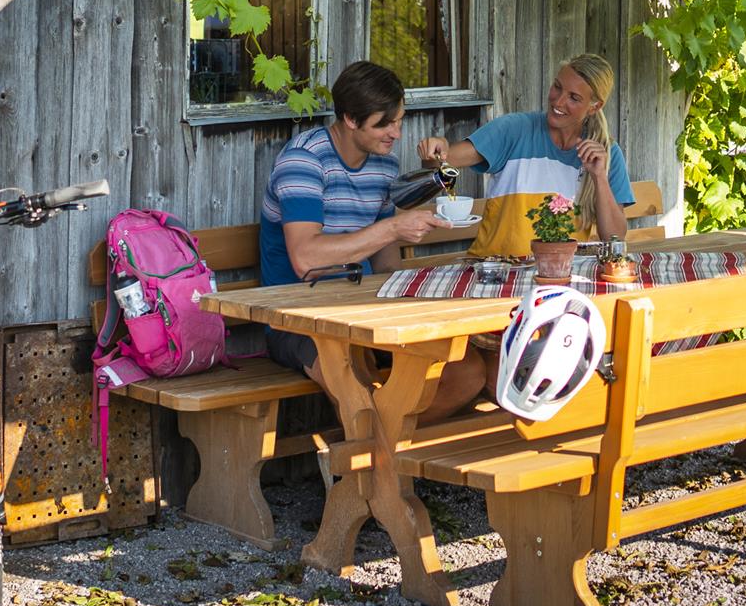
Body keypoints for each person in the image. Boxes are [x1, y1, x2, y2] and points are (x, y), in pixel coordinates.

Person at [259, 61, 486, 414]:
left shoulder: (384, 165)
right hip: (298, 317)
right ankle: (372, 456)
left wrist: (420, 299)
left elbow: (384, 262)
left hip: (364, 310)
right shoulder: (303, 160)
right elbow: (305, 258)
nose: (396, 133)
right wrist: (394, 227)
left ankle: (384, 450)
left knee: (467, 371)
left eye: (399, 121)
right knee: (356, 386)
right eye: (385, 123)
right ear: (350, 119)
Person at [418, 53, 635, 259]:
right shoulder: (515, 129)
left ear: (594, 107)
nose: (558, 102)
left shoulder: (605, 154)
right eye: (557, 87)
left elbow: (614, 238)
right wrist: (439, 146)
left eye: (574, 98)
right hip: (497, 271)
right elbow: (437, 159)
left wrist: (599, 177)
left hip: (560, 274)